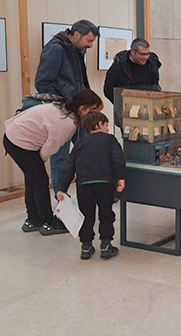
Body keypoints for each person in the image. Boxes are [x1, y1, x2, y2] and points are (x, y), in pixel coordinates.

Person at [3, 89, 103, 235]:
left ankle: (33, 219)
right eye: (93, 111)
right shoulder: (67, 124)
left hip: (14, 135)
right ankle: (48, 222)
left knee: (33, 179)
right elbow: (50, 147)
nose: (96, 116)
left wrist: (37, 162)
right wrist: (39, 161)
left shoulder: (63, 107)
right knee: (40, 180)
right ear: (82, 109)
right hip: (19, 142)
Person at [35, 19, 100, 201]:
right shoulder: (55, 49)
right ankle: (61, 199)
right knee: (61, 159)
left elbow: (80, 81)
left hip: (80, 112)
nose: (90, 45)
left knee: (88, 152)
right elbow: (42, 83)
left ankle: (91, 194)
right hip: (63, 114)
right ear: (76, 34)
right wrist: (65, 103)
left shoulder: (77, 50)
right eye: (89, 41)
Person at [56, 111, 126, 259]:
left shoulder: (79, 144)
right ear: (99, 124)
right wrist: (120, 178)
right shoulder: (110, 140)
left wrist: (62, 188)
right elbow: (118, 159)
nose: (108, 129)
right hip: (105, 183)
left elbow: (68, 167)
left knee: (86, 215)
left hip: (84, 185)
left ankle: (86, 247)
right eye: (106, 125)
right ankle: (106, 245)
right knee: (106, 213)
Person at [103, 38, 162, 106]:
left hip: (149, 105)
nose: (146, 57)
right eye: (142, 54)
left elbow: (155, 84)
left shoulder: (152, 61)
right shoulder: (119, 65)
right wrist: (122, 105)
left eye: (147, 54)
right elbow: (108, 90)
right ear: (133, 52)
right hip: (127, 107)